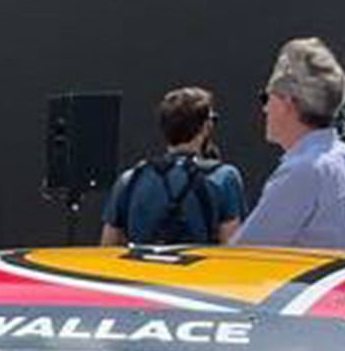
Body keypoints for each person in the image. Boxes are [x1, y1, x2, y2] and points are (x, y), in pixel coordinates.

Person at [233, 38, 345, 252]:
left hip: (308, 286)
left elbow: (244, 256)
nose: (265, 109)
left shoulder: (302, 170)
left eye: (266, 97)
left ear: (287, 102)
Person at [99, 88, 245, 247]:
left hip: (142, 271)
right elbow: (231, 248)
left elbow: (108, 247)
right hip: (198, 271)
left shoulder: (129, 180)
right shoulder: (224, 178)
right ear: (205, 127)